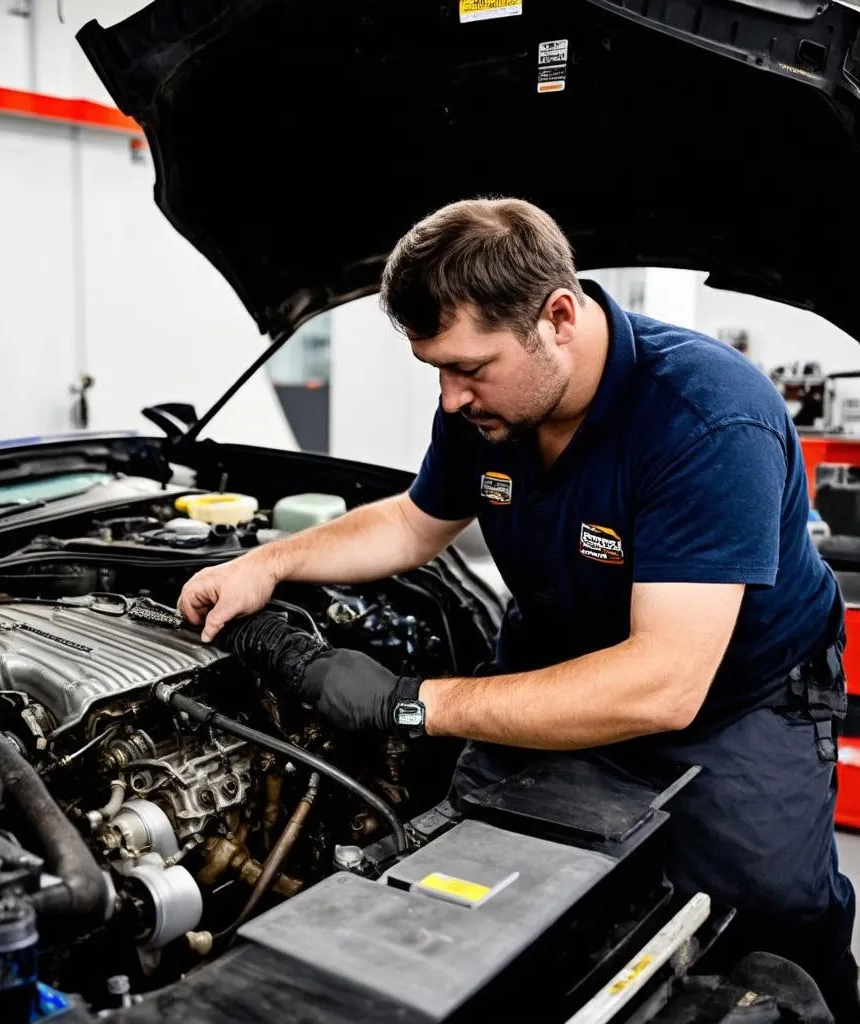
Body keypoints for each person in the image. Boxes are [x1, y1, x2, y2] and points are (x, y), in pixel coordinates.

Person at [177, 198, 858, 1018]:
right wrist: (268, 563)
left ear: (559, 317)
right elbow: (411, 521)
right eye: (436, 369)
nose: (452, 396)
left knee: (765, 933)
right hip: (555, 656)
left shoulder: (706, 417)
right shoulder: (491, 409)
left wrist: (410, 704)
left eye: (470, 366)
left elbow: (663, 685)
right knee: (477, 895)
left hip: (734, 704)